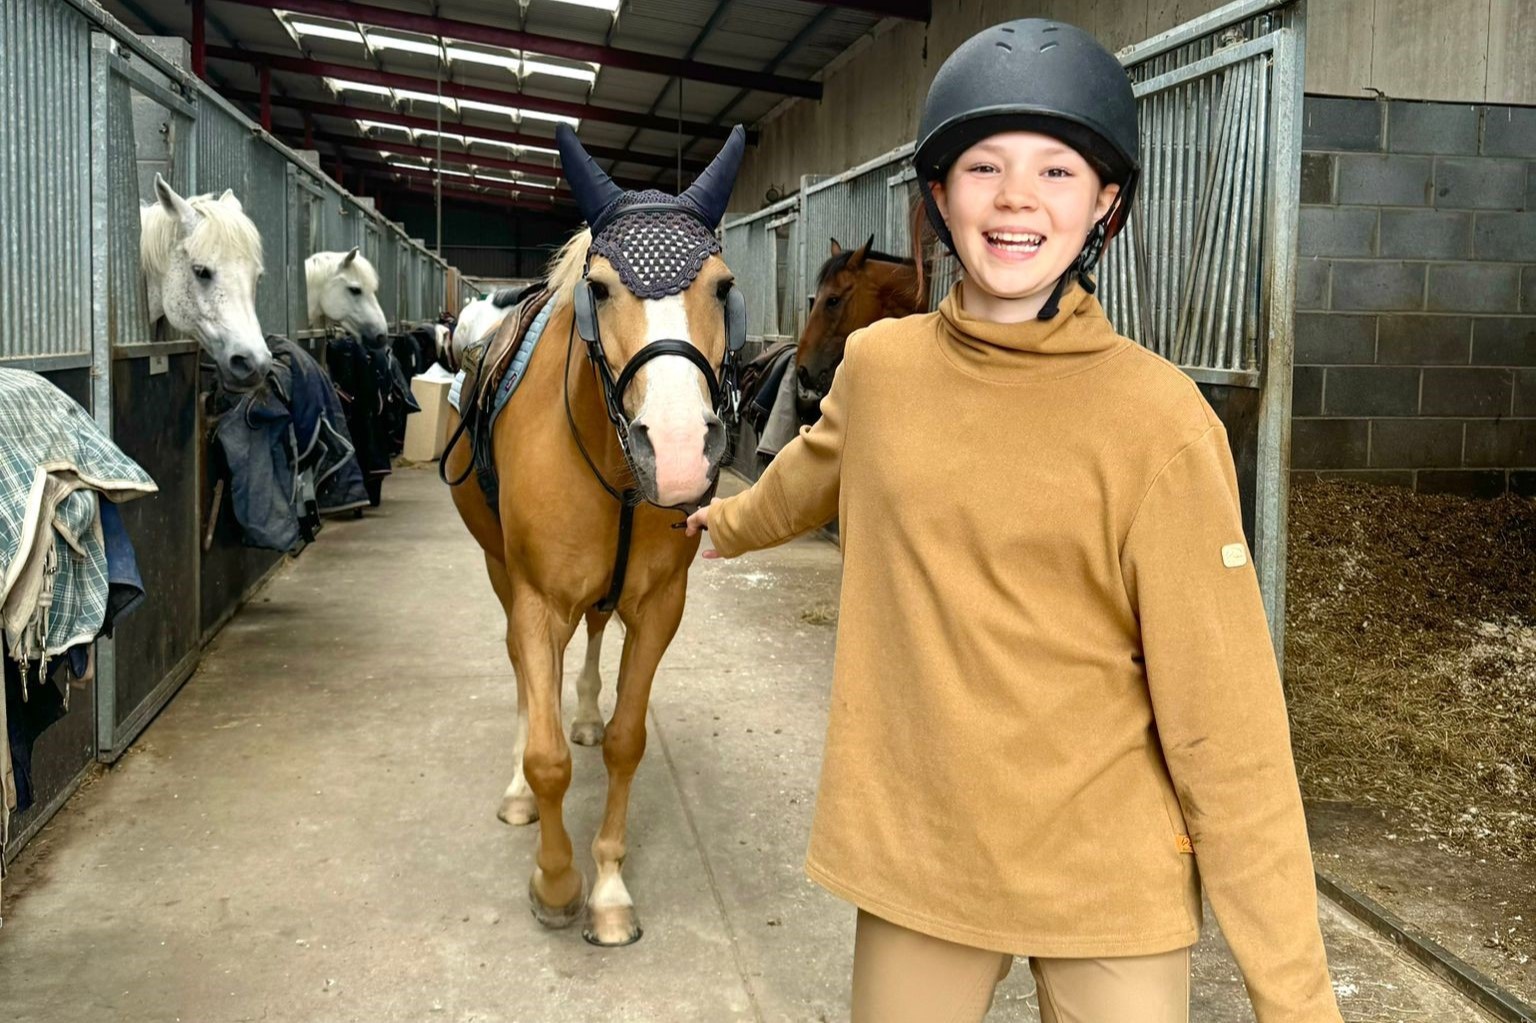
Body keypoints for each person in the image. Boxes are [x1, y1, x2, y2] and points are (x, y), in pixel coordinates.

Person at [685, 18, 1345, 1023]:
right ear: (941, 196)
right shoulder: (882, 371)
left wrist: (1296, 997)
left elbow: (1229, 725)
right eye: (984, 166)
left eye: (1059, 171)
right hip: (926, 853)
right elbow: (805, 478)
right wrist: (718, 524)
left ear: (1107, 203)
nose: (1016, 200)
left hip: (1107, 871)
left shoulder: (1161, 423)